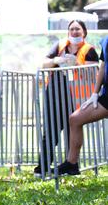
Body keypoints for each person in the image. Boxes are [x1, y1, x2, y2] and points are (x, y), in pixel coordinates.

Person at [35, 20, 99, 175]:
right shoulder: (59, 46)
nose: (74, 32)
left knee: (73, 130)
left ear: (84, 32)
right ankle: (42, 167)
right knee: (51, 130)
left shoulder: (89, 50)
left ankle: (72, 165)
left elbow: (93, 74)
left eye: (78, 29)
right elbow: (44, 64)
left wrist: (76, 64)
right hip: (55, 95)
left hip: (76, 98)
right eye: (72, 29)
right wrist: (56, 60)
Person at [54, 35, 108, 176]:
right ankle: (72, 164)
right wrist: (95, 94)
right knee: (75, 119)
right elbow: (103, 66)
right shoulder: (106, 40)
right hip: (106, 96)